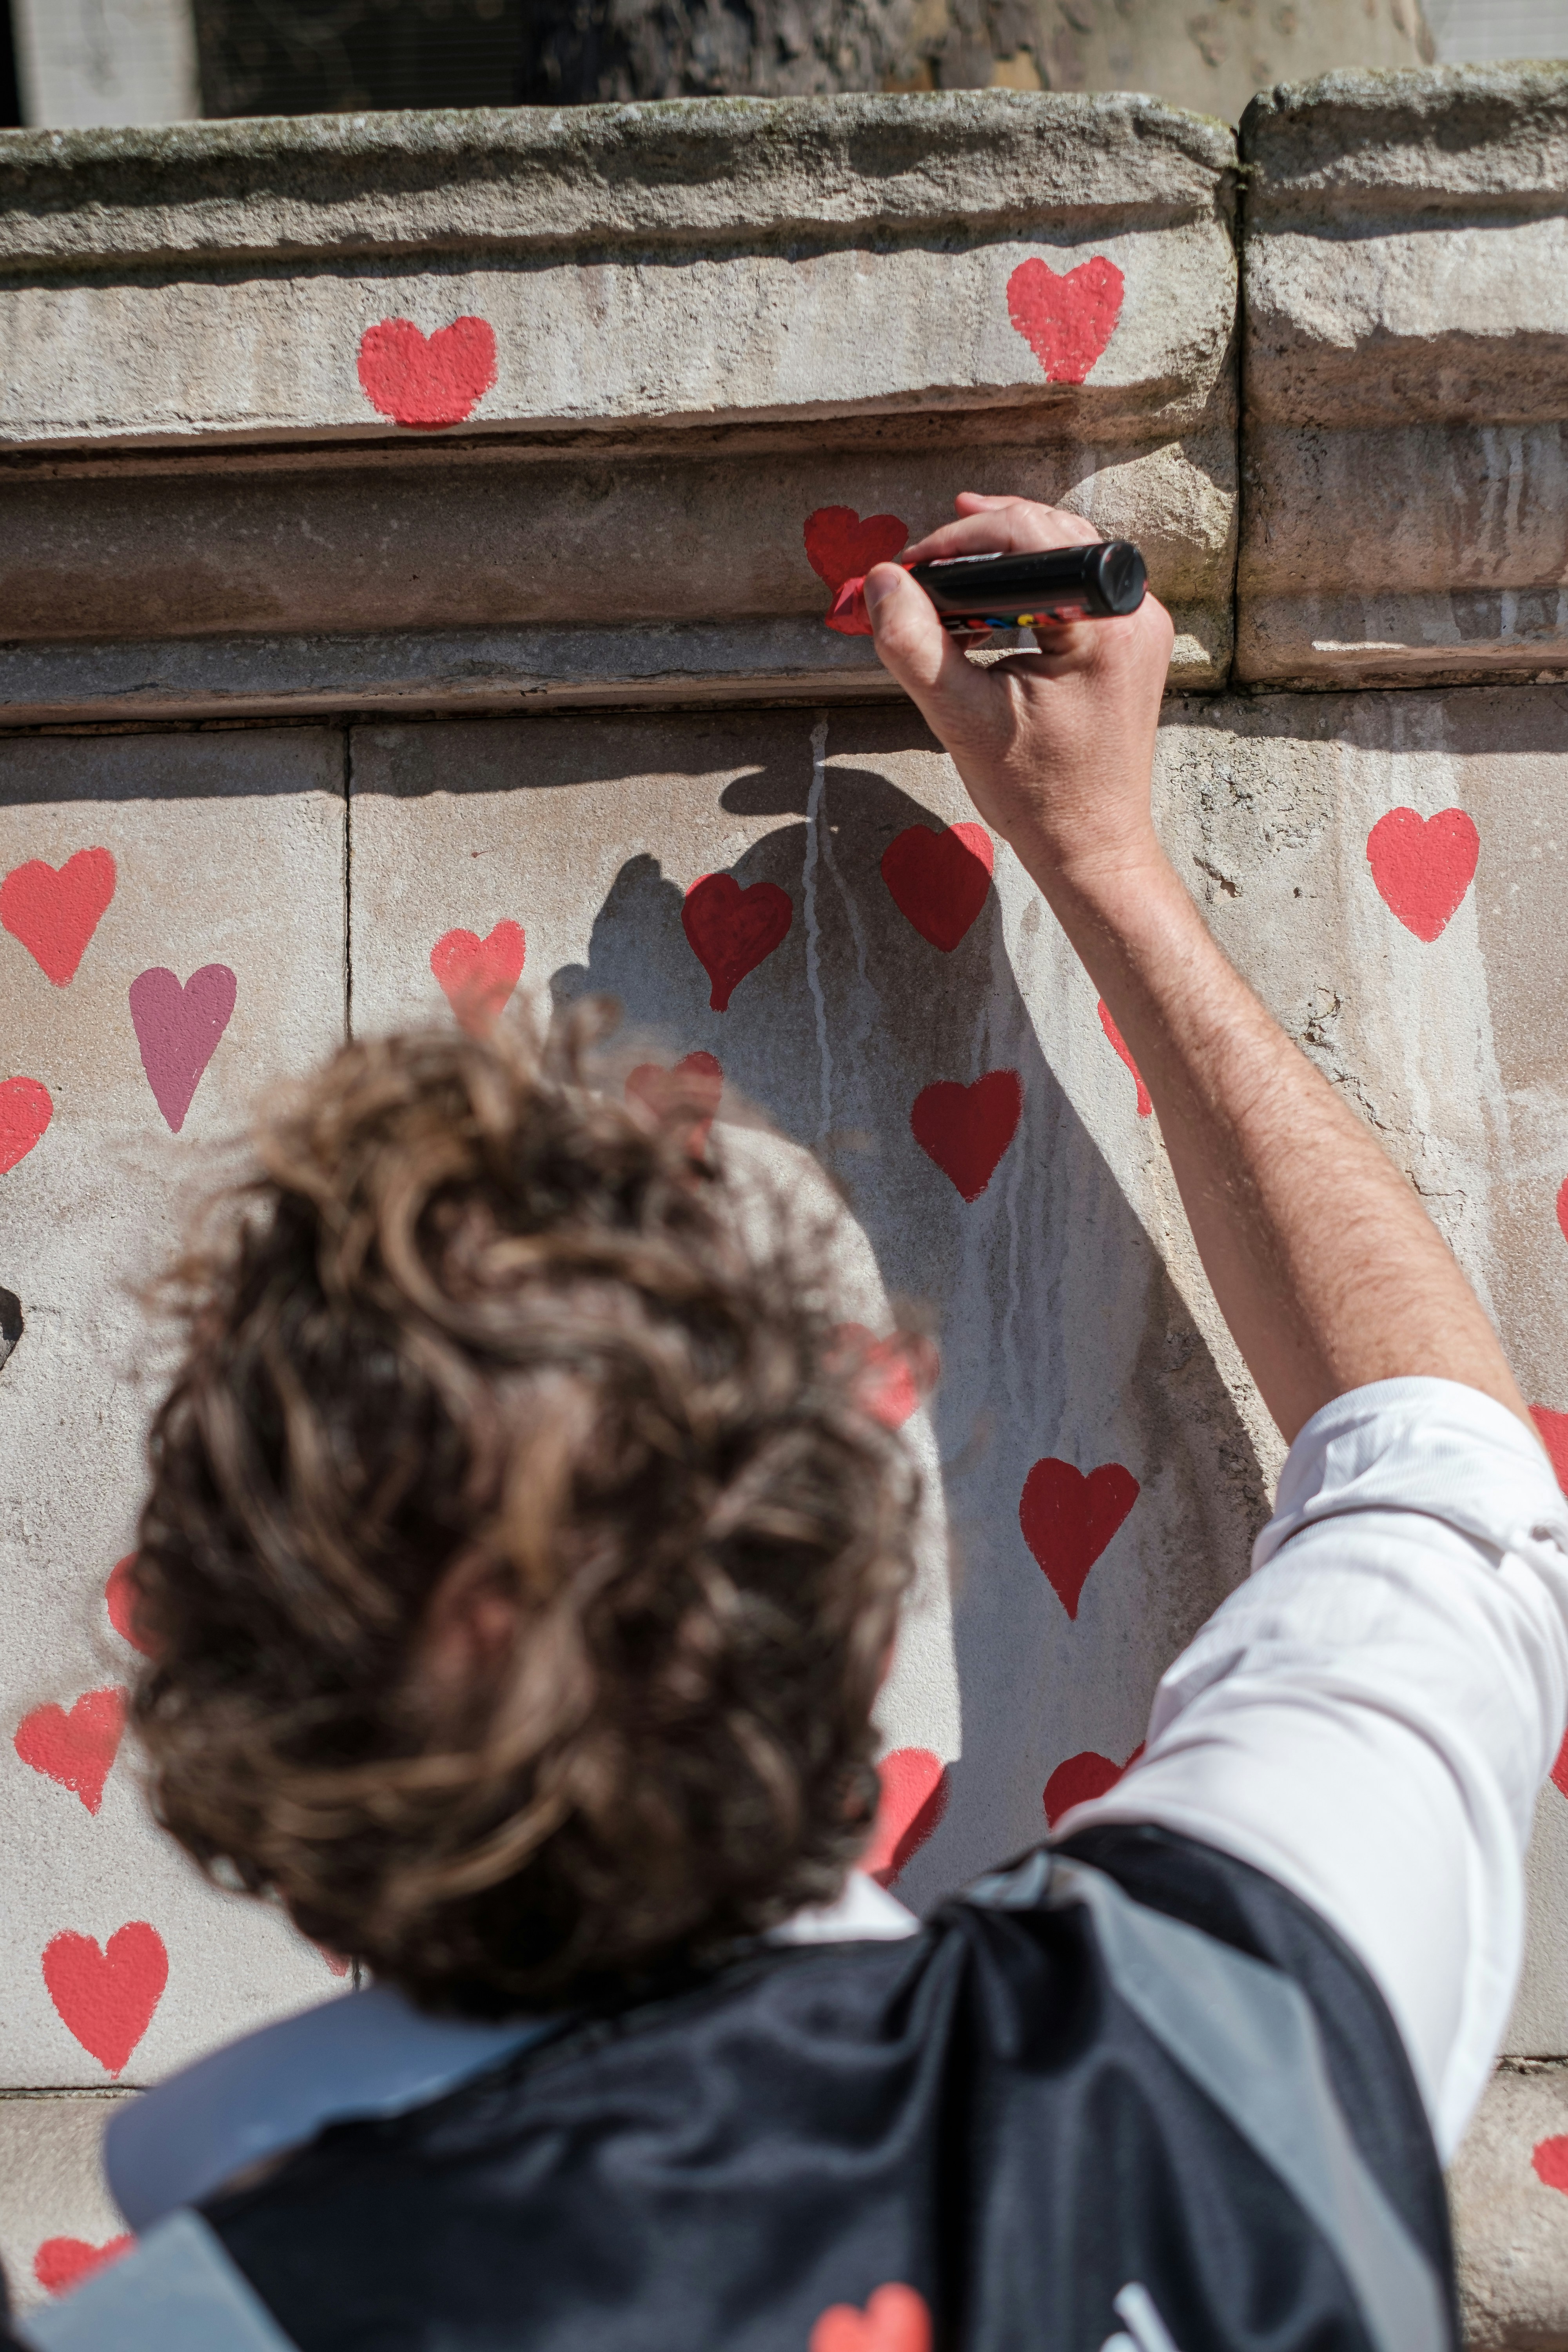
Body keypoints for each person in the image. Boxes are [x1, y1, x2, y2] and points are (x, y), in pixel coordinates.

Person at [21, 499, 1568, 2352]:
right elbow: (1441, 1461)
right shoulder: (1231, 2011)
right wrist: (1100, 860)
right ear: (856, 1564)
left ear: (190, 1673)